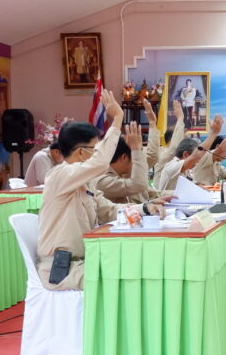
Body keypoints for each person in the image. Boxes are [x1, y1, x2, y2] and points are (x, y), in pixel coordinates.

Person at [36, 90, 163, 291]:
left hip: (85, 261)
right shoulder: (59, 176)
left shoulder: (87, 182)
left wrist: (145, 209)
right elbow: (101, 162)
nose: (99, 154)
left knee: (138, 266)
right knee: (126, 281)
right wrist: (117, 119)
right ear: (80, 152)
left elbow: (110, 210)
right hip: (62, 268)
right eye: (95, 149)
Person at [91, 121, 169, 204]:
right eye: (135, 156)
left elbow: (153, 193)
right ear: (124, 157)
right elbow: (138, 185)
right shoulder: (101, 181)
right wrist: (136, 149)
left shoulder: (125, 173)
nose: (138, 159)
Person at [156, 114, 224, 190]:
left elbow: (190, 184)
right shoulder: (172, 166)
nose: (197, 163)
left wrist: (198, 185)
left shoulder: (187, 170)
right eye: (196, 161)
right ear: (185, 154)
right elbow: (197, 155)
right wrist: (214, 133)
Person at [151, 101, 186, 186]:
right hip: (162, 197)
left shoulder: (180, 157)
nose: (185, 143)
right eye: (182, 138)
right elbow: (174, 147)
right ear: (172, 139)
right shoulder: (163, 155)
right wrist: (180, 118)